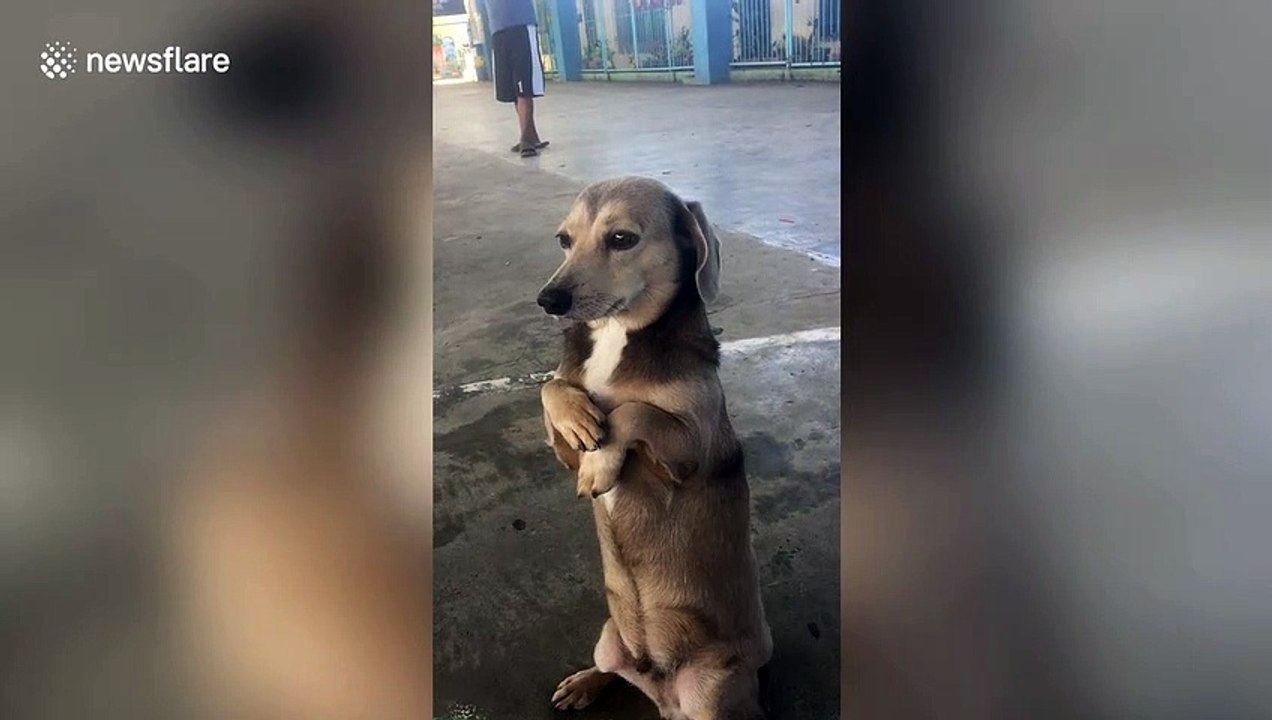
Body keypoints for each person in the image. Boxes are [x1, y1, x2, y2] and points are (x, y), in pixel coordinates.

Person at [475, 0, 549, 157]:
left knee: (524, 84)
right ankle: (531, 135)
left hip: (520, 24)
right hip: (497, 28)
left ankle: (526, 139)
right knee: (513, 88)